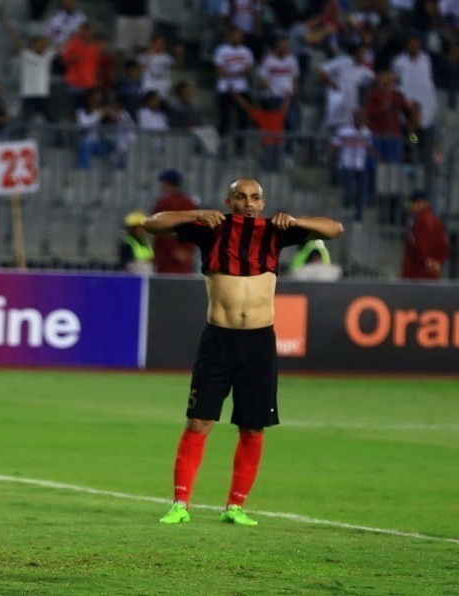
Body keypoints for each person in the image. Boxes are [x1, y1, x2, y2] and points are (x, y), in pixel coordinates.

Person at [144, 178, 343, 527]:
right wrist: (196, 214)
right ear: (229, 201)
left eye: (254, 198)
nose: (248, 203)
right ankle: (180, 503)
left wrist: (295, 222)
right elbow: (152, 223)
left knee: (253, 428)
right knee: (199, 421)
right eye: (241, 197)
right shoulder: (210, 229)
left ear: (262, 204)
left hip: (259, 344)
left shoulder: (276, 233)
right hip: (218, 341)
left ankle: (234, 507)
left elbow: (334, 229)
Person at [151, 169, 198, 274]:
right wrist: (188, 250)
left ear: (166, 183)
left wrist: (173, 249)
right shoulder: (189, 202)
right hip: (185, 257)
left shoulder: (164, 203)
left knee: (166, 285)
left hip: (166, 256)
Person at [401, 190, 449, 280]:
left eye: (414, 203)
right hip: (428, 269)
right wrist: (438, 261)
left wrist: (428, 261)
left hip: (420, 270)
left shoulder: (423, 221)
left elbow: (422, 246)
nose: (412, 207)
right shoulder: (434, 219)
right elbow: (444, 244)